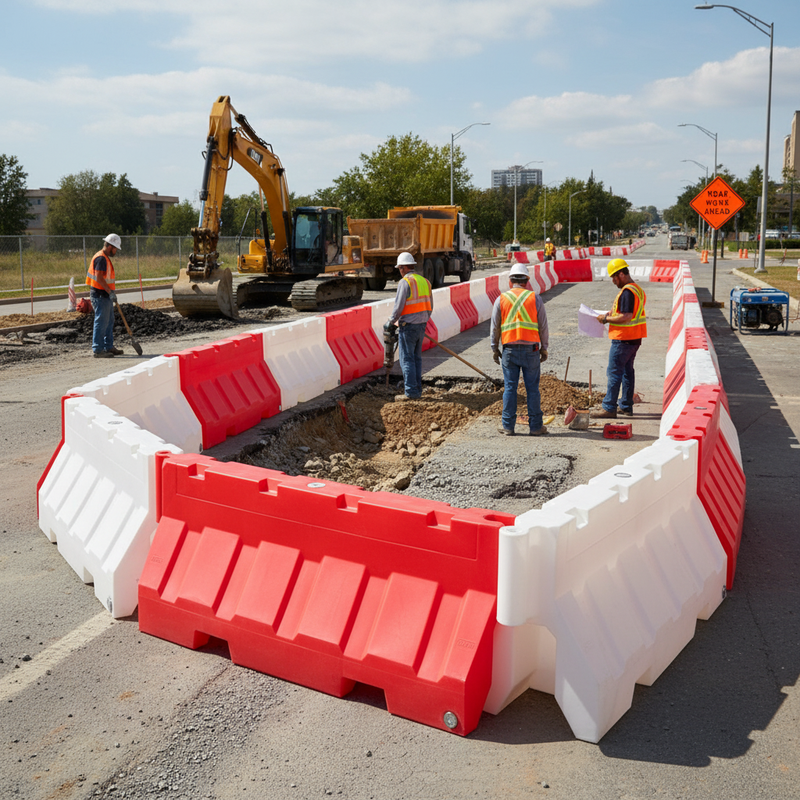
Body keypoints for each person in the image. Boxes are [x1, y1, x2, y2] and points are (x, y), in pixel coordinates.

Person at [490, 263, 549, 436]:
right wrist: (544, 348)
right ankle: (536, 427)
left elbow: (495, 327)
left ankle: (508, 426)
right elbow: (543, 326)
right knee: (532, 389)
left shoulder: (501, 299)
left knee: (510, 388)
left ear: (510, 281)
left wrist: (494, 348)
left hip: (509, 351)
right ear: (527, 281)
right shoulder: (535, 298)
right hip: (531, 351)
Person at [592, 258, 647, 419]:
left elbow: (626, 316)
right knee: (627, 372)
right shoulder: (637, 289)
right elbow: (627, 312)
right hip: (634, 338)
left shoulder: (627, 292)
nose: (613, 281)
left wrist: (606, 319)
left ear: (621, 274)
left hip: (623, 339)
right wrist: (611, 314)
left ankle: (609, 407)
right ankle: (626, 406)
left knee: (614, 372)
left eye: (614, 277)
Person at [387, 252, 433, 401]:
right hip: (421, 325)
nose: (400, 271)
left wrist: (391, 322)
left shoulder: (405, 282)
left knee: (406, 360)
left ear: (403, 268)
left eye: (400, 268)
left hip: (408, 327)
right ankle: (417, 389)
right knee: (416, 359)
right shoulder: (425, 281)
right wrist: (422, 320)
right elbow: (430, 306)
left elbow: (398, 307)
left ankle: (411, 392)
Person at [86, 233, 123, 358]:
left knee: (109, 321)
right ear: (110, 246)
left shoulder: (104, 257)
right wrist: (109, 292)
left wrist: (110, 292)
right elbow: (99, 277)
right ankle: (98, 349)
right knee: (101, 322)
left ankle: (108, 346)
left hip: (105, 295)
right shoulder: (101, 258)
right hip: (100, 295)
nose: (116, 251)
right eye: (115, 248)